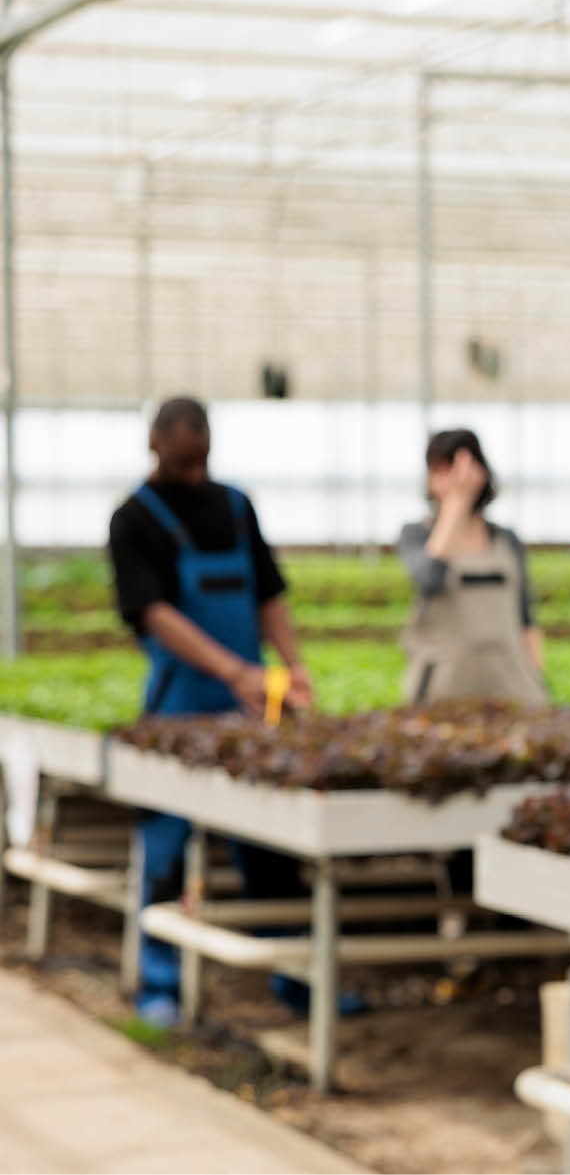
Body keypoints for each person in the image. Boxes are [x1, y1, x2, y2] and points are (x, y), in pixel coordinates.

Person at [107, 397, 313, 1026]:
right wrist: (235, 672)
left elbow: (269, 594)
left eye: (203, 460)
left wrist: (292, 666)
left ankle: (299, 978)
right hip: (179, 707)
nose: (196, 473)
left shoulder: (235, 505)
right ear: (155, 446)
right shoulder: (134, 520)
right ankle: (159, 984)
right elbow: (155, 614)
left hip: (252, 706)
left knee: (273, 844)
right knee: (166, 845)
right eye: (184, 461)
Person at [398, 429, 547, 707]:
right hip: (442, 686)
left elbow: (526, 617)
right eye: (443, 470)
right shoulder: (416, 534)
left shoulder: (505, 540)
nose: (455, 478)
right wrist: (456, 502)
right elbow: (429, 578)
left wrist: (538, 678)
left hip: (509, 681)